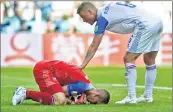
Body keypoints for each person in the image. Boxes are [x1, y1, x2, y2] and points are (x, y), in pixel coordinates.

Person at [76, 2, 163, 104]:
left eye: (83, 17)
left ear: (90, 12)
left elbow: (94, 45)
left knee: (128, 58)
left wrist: (82, 65)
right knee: (149, 59)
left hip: (145, 24)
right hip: (157, 21)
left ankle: (131, 97)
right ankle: (148, 96)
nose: (84, 20)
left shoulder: (102, 18)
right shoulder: (107, 9)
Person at [12, 60, 110, 106]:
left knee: (57, 99)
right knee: (59, 100)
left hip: (48, 70)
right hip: (44, 69)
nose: (91, 103)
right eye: (95, 102)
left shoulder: (84, 85)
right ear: (96, 95)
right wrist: (72, 102)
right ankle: (24, 93)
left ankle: (25, 94)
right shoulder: (82, 85)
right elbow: (61, 94)